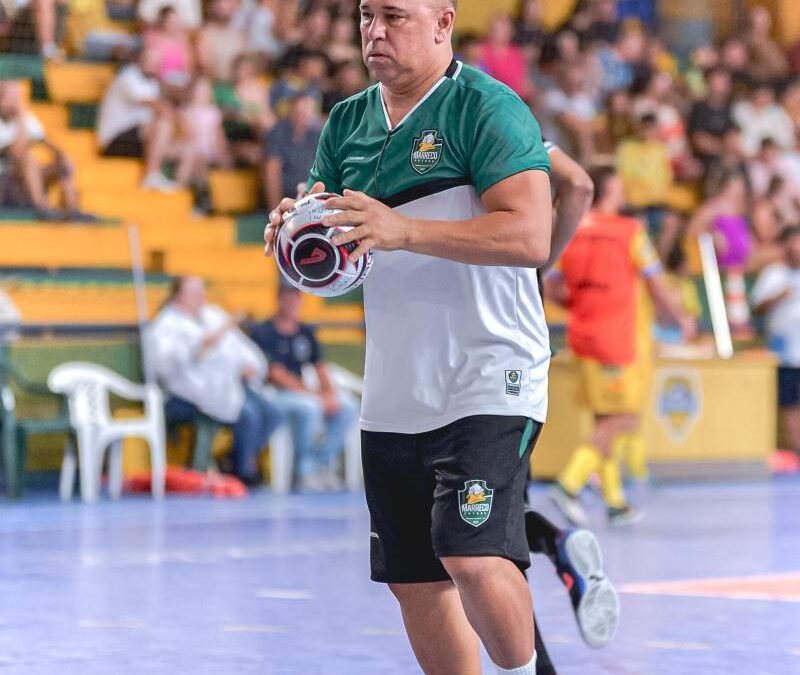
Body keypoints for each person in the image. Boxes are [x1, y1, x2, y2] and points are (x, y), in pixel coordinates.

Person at [265, 1, 553, 672]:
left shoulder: (486, 106)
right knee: (414, 578)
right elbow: (333, 242)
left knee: (471, 553)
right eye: (367, 16)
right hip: (397, 382)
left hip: (490, 370)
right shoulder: (347, 121)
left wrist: (406, 228)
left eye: (394, 16)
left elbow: (531, 236)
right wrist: (296, 228)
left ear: (442, 23)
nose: (374, 32)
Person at [545, 166, 695, 527]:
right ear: (609, 192)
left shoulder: (568, 231)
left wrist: (581, 305)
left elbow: (550, 285)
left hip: (582, 335)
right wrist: (681, 318)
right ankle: (570, 484)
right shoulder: (630, 232)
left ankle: (614, 502)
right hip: (619, 340)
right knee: (624, 416)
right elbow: (656, 284)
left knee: (603, 418)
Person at [148, 276, 285, 485]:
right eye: (193, 292)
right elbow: (162, 366)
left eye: (201, 291)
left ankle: (232, 459)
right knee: (249, 415)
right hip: (189, 393)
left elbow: (240, 347)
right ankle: (243, 472)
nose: (199, 297)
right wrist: (197, 347)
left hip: (230, 384)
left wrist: (250, 365)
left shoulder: (213, 315)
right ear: (177, 296)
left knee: (273, 413)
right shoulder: (165, 325)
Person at [249, 284, 359, 492]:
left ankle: (320, 465)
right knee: (309, 407)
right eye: (288, 298)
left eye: (296, 298)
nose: (292, 303)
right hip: (274, 394)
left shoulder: (306, 332)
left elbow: (320, 366)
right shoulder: (264, 331)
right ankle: (303, 471)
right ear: (278, 299)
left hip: (303, 391)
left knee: (348, 406)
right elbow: (275, 374)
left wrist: (329, 393)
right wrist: (314, 395)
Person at [752, 227, 800, 465]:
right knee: (789, 404)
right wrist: (779, 296)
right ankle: (795, 451)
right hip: (785, 353)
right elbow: (757, 307)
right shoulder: (775, 274)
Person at [263, 90, 322, 207]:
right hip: (285, 199)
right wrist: (275, 209)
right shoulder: (278, 132)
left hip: (311, 199)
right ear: (292, 111)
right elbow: (272, 172)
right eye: (299, 112)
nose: (302, 116)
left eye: (306, 113)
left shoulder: (316, 134)